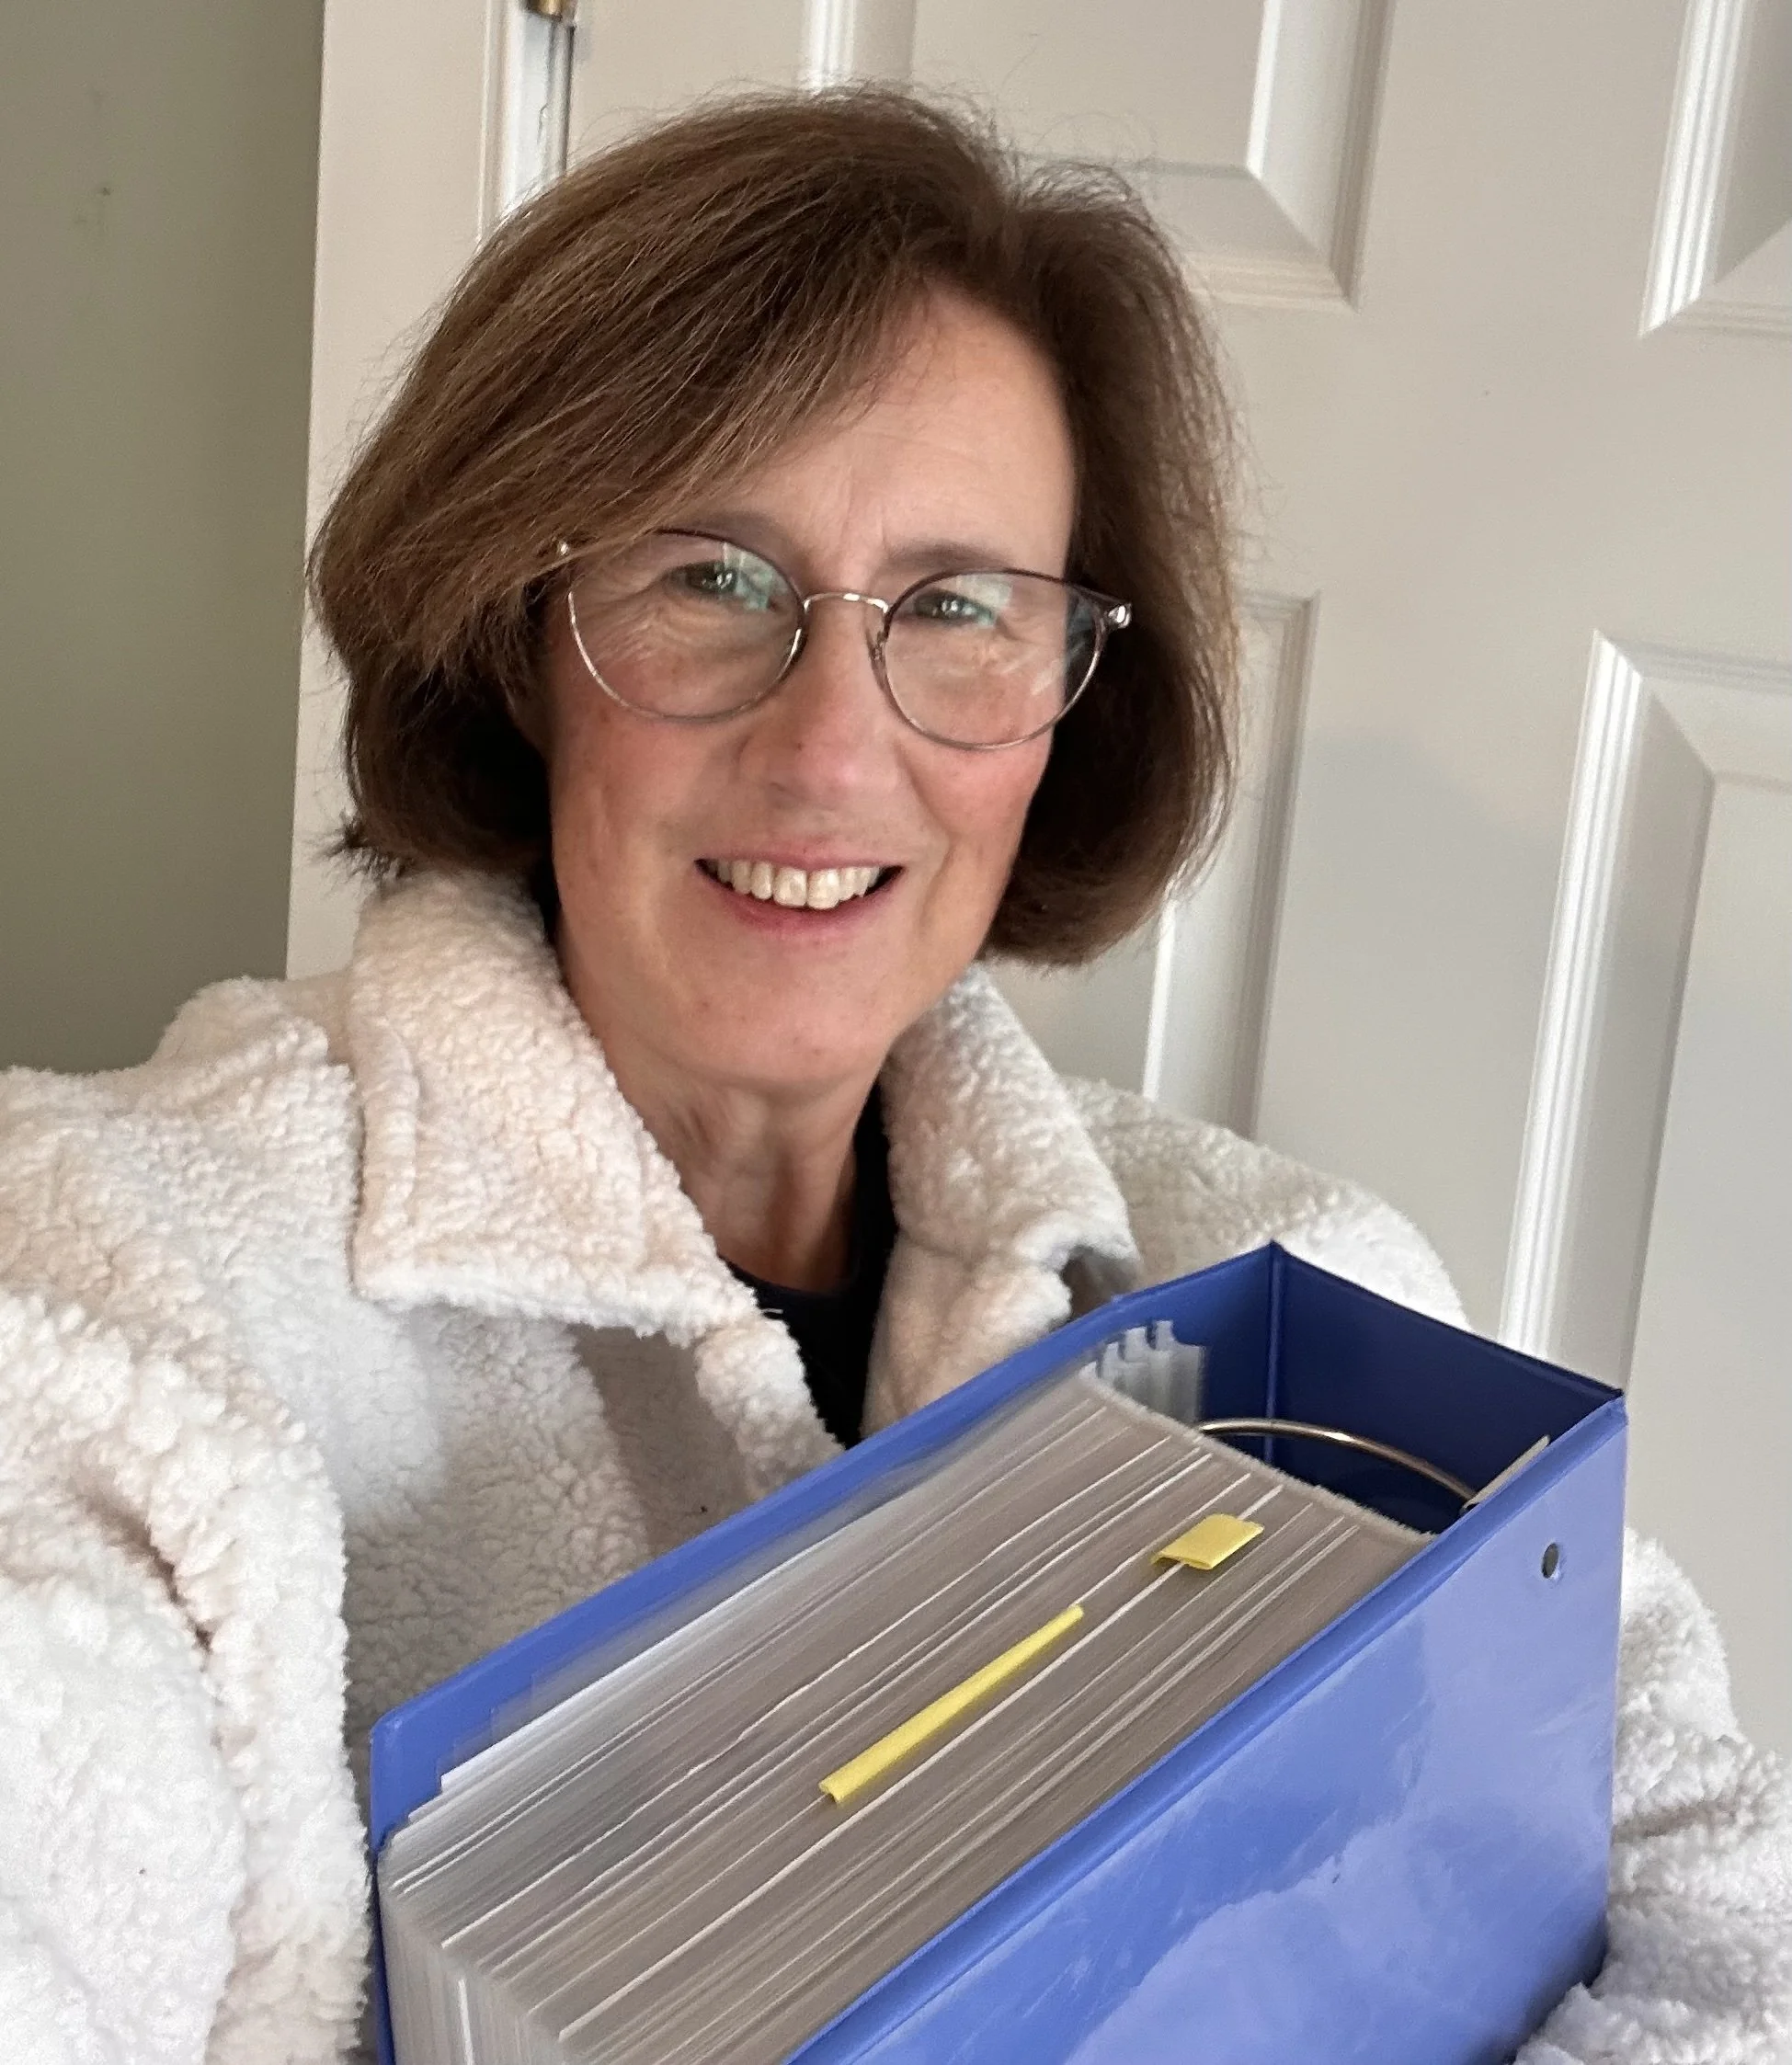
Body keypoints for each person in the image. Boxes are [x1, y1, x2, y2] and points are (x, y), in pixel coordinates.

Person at [0, 87, 1785, 2065]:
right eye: (709, 578)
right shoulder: (131, 1278)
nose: (830, 747)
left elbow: (1710, 1889)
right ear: (520, 637)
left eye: (954, 607)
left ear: (1062, 705)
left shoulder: (1293, 1268)